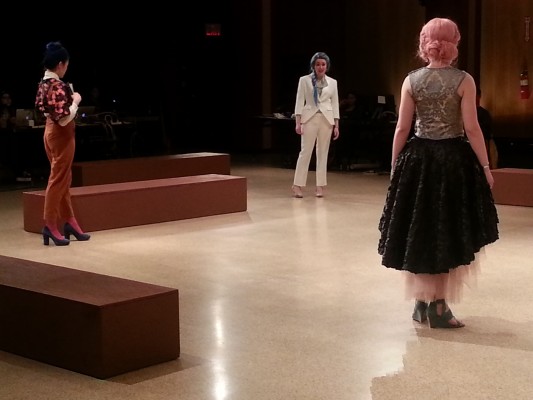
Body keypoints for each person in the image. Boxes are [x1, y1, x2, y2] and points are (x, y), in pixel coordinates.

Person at [377, 18, 499, 328]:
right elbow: (472, 128)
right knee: (446, 229)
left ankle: (421, 303)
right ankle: (439, 307)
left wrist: (394, 165)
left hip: (418, 160)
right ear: (454, 43)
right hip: (452, 161)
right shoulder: (464, 81)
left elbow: (403, 128)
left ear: (424, 44)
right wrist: (485, 167)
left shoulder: (411, 80)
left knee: (421, 228)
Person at [34, 41, 91, 246]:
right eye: (66, 64)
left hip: (50, 133)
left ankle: (70, 221)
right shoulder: (57, 86)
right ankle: (50, 224)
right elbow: (64, 118)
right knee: (58, 180)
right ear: (60, 64)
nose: (67, 68)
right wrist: (75, 100)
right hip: (62, 135)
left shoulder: (43, 83)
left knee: (63, 180)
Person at [292, 52, 340, 198]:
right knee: (305, 152)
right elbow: (300, 102)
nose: (320, 67)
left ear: (327, 66)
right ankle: (297, 185)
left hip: (326, 119)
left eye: (323, 64)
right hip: (309, 118)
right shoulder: (304, 80)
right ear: (313, 65)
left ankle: (320, 186)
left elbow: (335, 103)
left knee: (323, 153)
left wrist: (336, 124)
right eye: (318, 64)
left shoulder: (332, 82)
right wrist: (298, 122)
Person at [476, 87, 498, 168]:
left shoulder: (484, 114)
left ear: (479, 96)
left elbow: (486, 134)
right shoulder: (464, 113)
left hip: (485, 143)